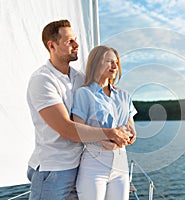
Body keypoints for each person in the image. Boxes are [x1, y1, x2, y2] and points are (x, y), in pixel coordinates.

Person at [26, 20, 131, 200]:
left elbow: (103, 101)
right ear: (52, 45)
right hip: (53, 170)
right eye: (69, 42)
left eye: (75, 39)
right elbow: (67, 129)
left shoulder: (79, 78)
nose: (77, 45)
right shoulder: (43, 80)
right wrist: (111, 133)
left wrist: (121, 135)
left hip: (80, 165)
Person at [71, 45, 137, 200]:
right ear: (96, 63)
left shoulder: (124, 96)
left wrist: (124, 139)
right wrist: (107, 137)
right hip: (94, 166)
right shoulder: (84, 93)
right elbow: (78, 131)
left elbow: (132, 131)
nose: (114, 66)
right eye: (109, 61)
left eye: (116, 62)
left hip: (121, 164)